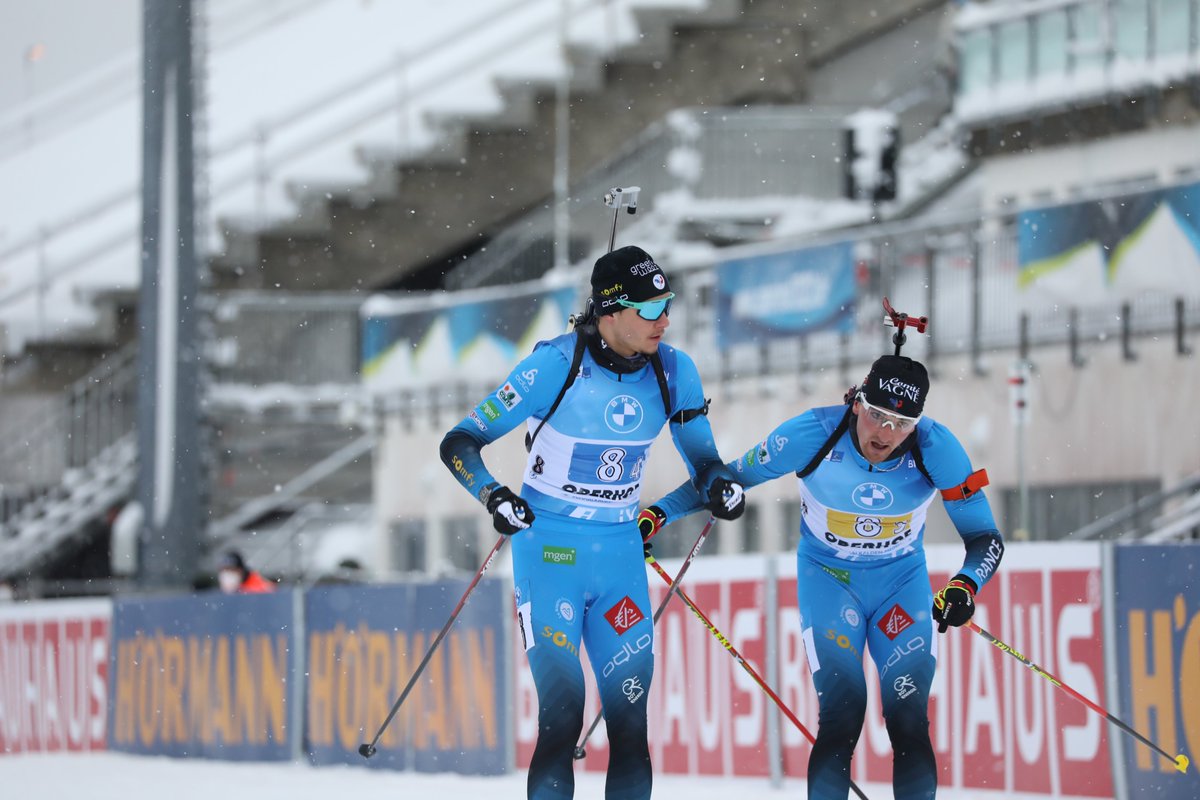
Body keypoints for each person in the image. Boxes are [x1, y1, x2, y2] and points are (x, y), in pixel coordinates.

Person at [440, 245, 745, 800]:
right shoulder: (554, 365)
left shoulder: (674, 370)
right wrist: (494, 496)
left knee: (630, 724)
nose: (665, 321)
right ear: (611, 311)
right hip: (549, 552)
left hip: (619, 557)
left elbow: (704, 462)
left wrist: (719, 485)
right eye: (650, 310)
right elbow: (459, 443)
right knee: (563, 714)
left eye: (668, 306)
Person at [643, 353, 1004, 800]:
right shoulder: (813, 433)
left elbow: (986, 539)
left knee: (908, 718)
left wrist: (966, 585)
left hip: (900, 583)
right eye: (877, 416)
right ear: (857, 403)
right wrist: (658, 514)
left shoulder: (937, 448)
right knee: (844, 711)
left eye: (901, 423)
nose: (885, 434)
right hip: (829, 581)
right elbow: (725, 479)